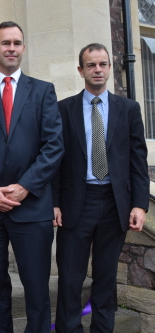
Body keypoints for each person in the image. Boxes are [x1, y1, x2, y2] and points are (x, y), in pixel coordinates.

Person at [0, 21, 64, 332]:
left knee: (36, 289)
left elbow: (53, 146)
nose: (11, 48)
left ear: (23, 48)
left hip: (31, 207)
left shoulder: (43, 91)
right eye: (5, 43)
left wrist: (25, 187)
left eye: (17, 43)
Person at [53, 43, 149, 333]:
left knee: (106, 278)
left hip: (114, 203)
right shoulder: (63, 109)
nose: (98, 69)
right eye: (91, 65)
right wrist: (53, 203)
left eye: (103, 64)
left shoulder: (129, 109)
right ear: (81, 70)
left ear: (109, 67)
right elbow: (54, 160)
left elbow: (138, 159)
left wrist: (139, 204)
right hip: (75, 204)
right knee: (70, 277)